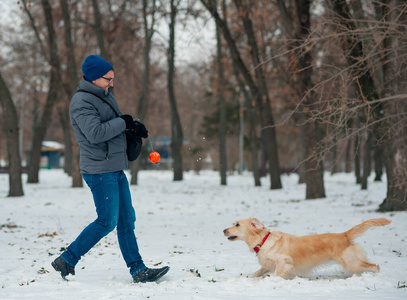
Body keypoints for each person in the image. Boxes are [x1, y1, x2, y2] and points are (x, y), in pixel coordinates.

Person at [51, 55, 169, 283]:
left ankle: (138, 270)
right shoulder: (81, 102)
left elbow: (113, 125)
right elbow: (95, 133)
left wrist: (132, 127)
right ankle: (67, 258)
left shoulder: (104, 95)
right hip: (99, 170)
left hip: (114, 167)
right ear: (94, 78)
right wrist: (123, 122)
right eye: (108, 79)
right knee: (107, 220)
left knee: (127, 220)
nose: (112, 83)